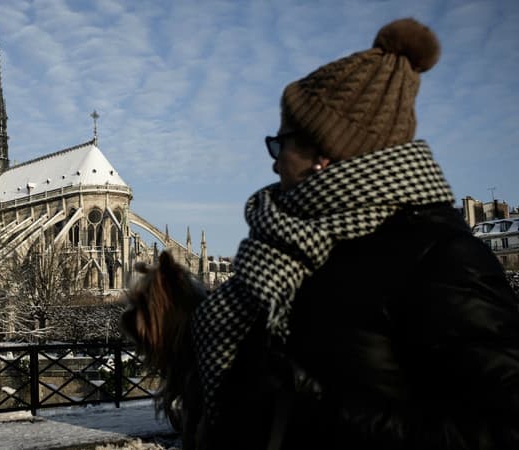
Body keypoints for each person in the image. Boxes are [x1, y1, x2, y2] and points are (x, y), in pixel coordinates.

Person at [191, 17, 519, 449]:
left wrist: (314, 408)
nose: (273, 161)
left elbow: (503, 430)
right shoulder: (300, 248)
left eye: (280, 143)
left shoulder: (438, 257)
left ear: (324, 153)